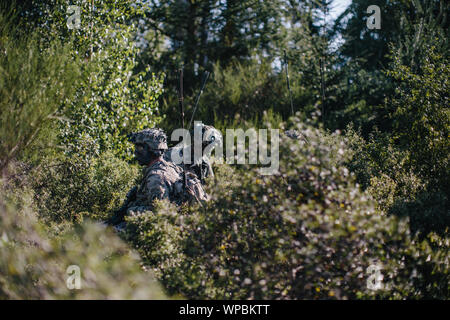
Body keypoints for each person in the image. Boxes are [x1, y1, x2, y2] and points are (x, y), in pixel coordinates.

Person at [107, 128, 207, 230]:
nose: (136, 152)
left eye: (140, 148)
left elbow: (159, 214)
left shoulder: (156, 177)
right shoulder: (171, 166)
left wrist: (131, 209)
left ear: (151, 149)